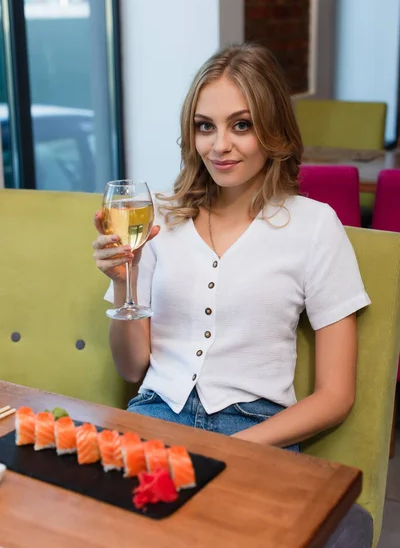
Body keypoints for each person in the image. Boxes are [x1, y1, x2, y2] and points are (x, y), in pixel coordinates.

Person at [92, 43, 373, 547]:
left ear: (274, 130)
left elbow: (336, 395)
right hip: (157, 419)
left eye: (241, 125)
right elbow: (132, 368)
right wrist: (122, 282)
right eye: (205, 126)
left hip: (259, 432)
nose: (220, 145)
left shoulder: (314, 226)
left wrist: (232, 449)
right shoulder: (159, 218)